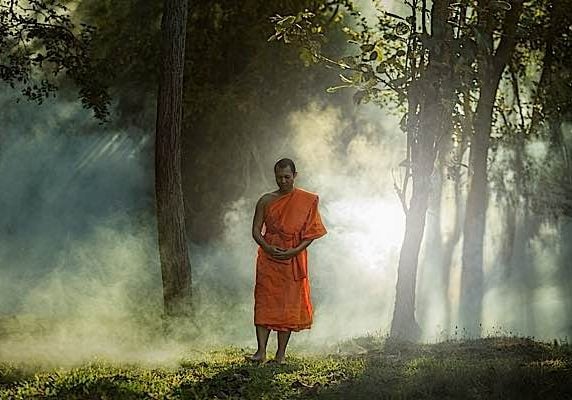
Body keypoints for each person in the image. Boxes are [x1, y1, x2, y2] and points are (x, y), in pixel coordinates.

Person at [247, 158, 327, 364]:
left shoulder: (306, 200)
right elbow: (256, 230)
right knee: (265, 300)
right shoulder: (265, 200)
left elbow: (311, 233)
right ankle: (261, 351)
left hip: (294, 257)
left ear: (295, 176)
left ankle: (280, 355)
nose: (283, 181)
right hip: (268, 258)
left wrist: (294, 251)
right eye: (279, 177)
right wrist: (267, 247)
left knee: (288, 305)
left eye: (287, 177)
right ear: (274, 177)